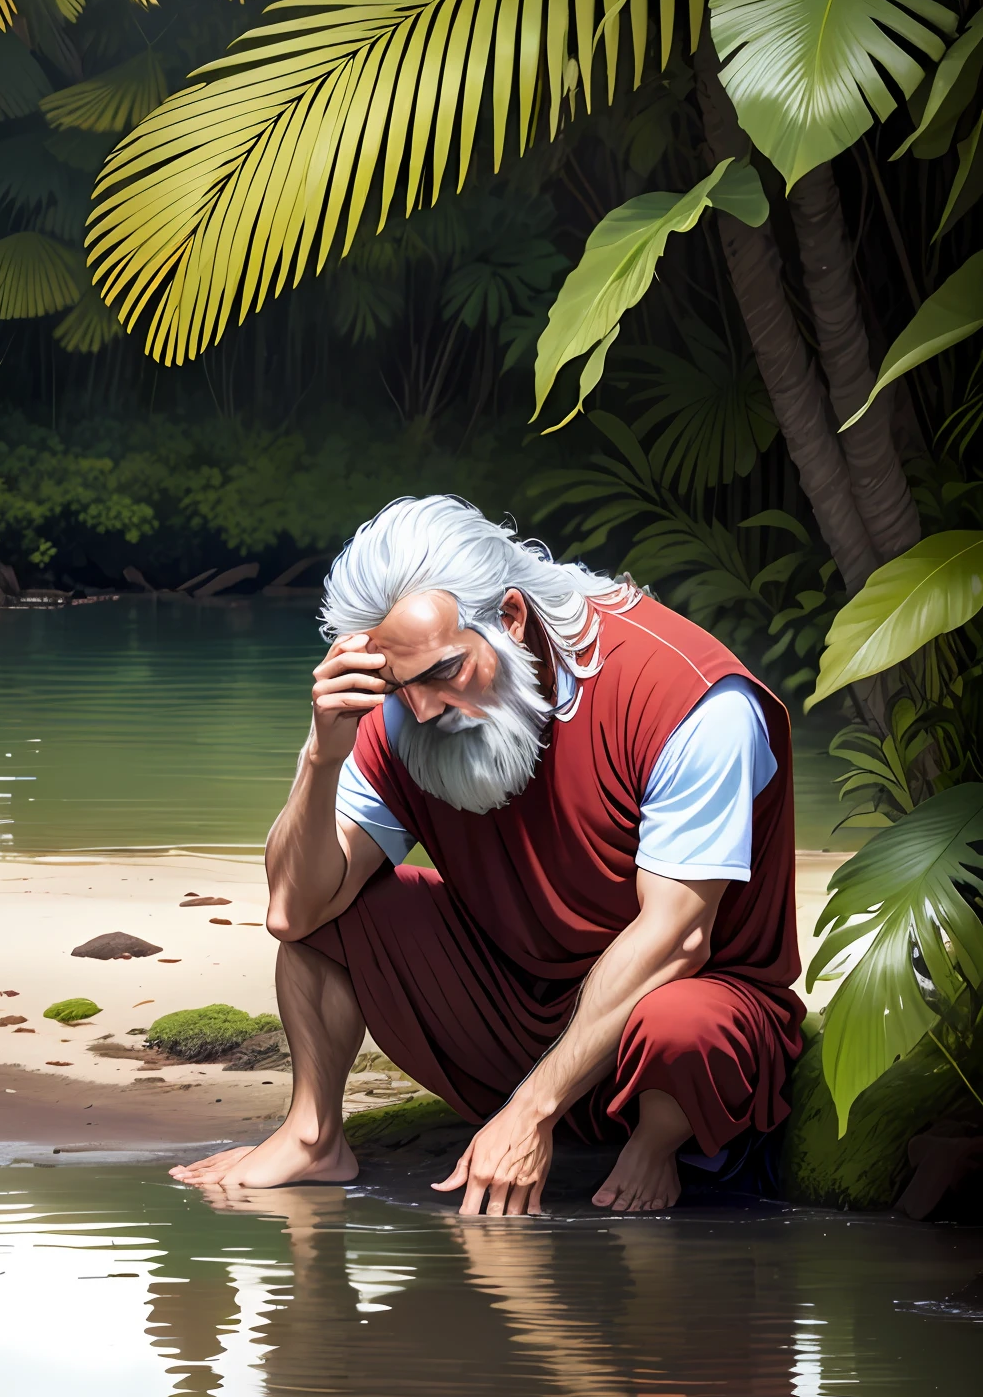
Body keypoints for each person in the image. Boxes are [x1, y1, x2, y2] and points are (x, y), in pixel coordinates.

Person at [171, 495, 802, 1214]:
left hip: (663, 1042)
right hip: (518, 1013)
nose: (426, 711)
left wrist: (528, 1114)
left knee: (685, 1023)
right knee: (334, 917)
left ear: (510, 619)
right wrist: (322, 754)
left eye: (444, 672)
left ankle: (654, 1147)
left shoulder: (690, 700)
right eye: (399, 687)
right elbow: (294, 910)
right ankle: (314, 1133)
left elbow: (678, 937)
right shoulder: (403, 715)